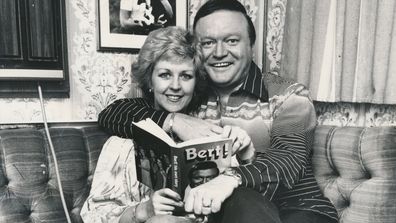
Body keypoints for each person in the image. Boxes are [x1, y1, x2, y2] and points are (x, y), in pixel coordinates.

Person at [97, 0, 339, 222]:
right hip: (227, 213)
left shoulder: (288, 94)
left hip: (298, 210)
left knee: (244, 199)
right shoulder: (190, 93)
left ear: (251, 44)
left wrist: (230, 178)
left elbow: (287, 159)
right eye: (208, 43)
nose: (220, 52)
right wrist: (174, 120)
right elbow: (114, 113)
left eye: (231, 40)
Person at [82, 26, 255, 223]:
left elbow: (249, 199)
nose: (175, 86)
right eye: (165, 74)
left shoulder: (208, 131)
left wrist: (245, 153)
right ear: (150, 80)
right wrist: (143, 210)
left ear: (195, 82)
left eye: (186, 76)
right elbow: (94, 215)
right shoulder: (122, 140)